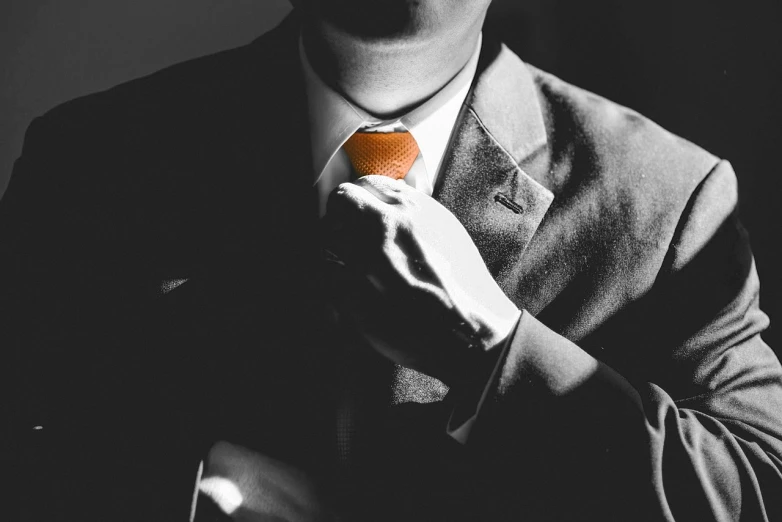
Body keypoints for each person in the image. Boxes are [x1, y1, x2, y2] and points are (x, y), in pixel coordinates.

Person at [2, 1, 781, 520]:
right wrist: (169, 488)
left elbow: (758, 490)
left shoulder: (666, 198)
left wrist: (494, 348)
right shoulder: (94, 161)